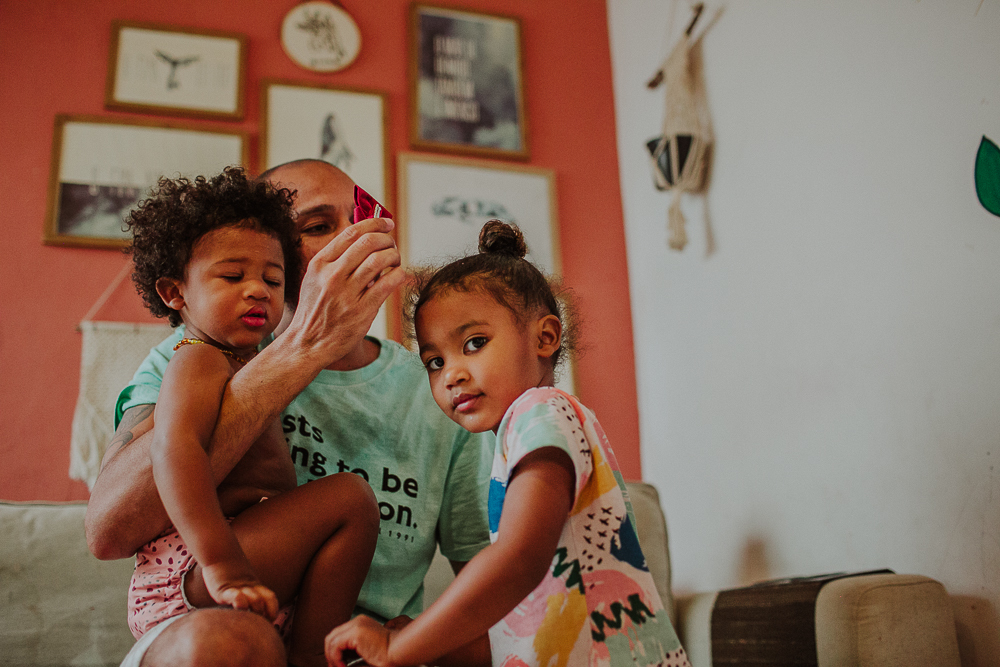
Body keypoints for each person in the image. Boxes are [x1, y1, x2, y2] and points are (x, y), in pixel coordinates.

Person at [84, 160, 493, 667]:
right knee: (236, 644)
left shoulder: (440, 386)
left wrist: (421, 638)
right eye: (319, 227)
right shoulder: (196, 351)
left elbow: (492, 574)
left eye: (364, 216)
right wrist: (302, 351)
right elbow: (108, 530)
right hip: (203, 617)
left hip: (350, 638)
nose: (355, 238)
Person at [325, 221, 691, 667]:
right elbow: (526, 620)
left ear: (545, 337)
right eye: (434, 361)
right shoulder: (517, 437)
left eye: (474, 343)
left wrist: (401, 646)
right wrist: (427, 640)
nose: (451, 375)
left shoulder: (542, 411)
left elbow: (518, 558)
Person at [120, 167, 379, 667]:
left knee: (351, 502)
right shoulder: (196, 358)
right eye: (233, 276)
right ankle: (311, 655)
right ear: (175, 293)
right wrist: (222, 564)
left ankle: (310, 650)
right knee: (351, 498)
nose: (258, 290)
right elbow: (174, 451)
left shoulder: (247, 361)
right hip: (198, 567)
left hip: (247, 562)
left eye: (272, 278)